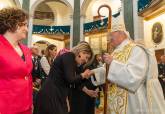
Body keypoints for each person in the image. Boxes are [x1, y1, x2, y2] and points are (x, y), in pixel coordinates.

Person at [103, 24, 165, 114]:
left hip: (132, 101)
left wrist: (113, 64)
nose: (108, 38)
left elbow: (134, 77)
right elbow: (106, 71)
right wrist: (93, 73)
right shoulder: (115, 52)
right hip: (114, 101)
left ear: (121, 33)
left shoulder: (136, 50)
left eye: (111, 34)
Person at [33, 43, 94, 114]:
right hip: (51, 93)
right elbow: (70, 79)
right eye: (86, 57)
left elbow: (73, 82)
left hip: (57, 94)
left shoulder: (73, 61)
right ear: (81, 52)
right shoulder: (69, 56)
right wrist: (83, 75)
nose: (86, 61)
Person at [0, 8, 33, 114]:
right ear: (11, 24)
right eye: (24, 24)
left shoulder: (26, 50)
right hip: (5, 108)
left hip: (25, 106)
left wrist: (30, 102)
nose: (27, 29)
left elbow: (28, 77)